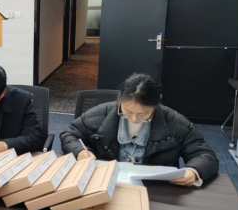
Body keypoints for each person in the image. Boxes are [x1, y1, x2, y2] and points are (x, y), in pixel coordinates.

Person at [60, 73, 219, 187]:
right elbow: (70, 133)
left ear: (155, 106)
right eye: (127, 111)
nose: (134, 119)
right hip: (107, 183)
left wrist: (194, 171)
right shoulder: (101, 113)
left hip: (155, 189)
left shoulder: (174, 122)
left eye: (143, 114)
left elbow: (205, 155)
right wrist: (79, 151)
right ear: (120, 100)